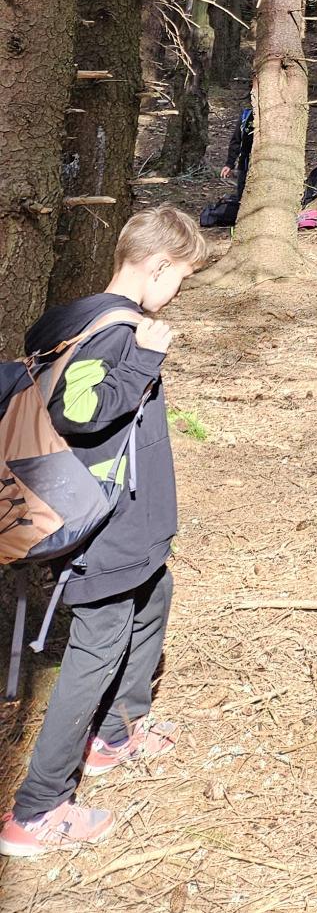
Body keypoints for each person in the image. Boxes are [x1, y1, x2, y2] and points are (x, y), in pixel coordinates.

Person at [0, 206, 210, 859]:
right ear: (158, 266)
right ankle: (36, 811)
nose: (178, 291)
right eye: (180, 278)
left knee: (155, 596)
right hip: (104, 530)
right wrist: (144, 358)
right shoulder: (116, 332)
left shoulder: (77, 316)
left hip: (127, 527)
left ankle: (116, 734)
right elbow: (81, 410)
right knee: (95, 651)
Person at [220, 95, 254, 199]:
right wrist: (229, 164)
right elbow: (236, 140)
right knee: (242, 196)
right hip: (245, 165)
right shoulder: (246, 116)